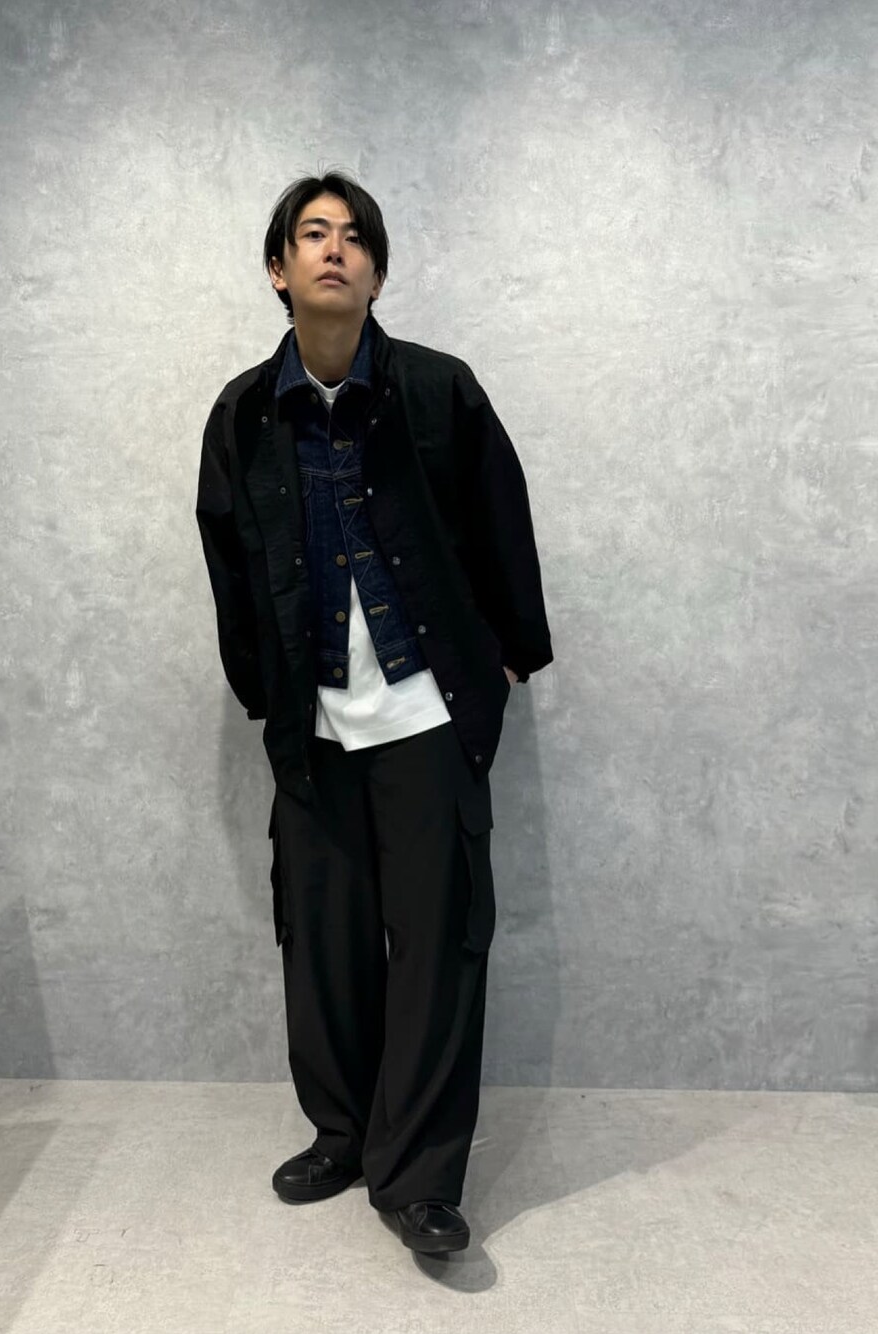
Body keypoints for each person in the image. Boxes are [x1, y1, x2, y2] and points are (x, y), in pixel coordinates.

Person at [195, 170, 552, 1255]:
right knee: (325, 943)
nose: (334, 250)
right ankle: (343, 1133)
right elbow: (228, 559)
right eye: (312, 234)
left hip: (425, 715)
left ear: (377, 273)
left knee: (438, 945)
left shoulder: (439, 390)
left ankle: (419, 1175)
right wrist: (264, 692)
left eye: (354, 237)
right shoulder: (243, 413)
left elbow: (501, 519)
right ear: (278, 269)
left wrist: (508, 656)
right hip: (313, 724)